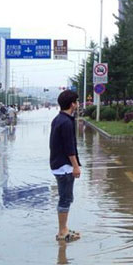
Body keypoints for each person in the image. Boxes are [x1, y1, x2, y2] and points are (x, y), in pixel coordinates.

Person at [50, 90, 82, 242]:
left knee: (66, 197)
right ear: (72, 104)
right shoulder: (66, 122)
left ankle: (64, 228)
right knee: (65, 198)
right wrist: (75, 166)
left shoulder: (58, 119)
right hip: (64, 167)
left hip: (58, 164)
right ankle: (62, 231)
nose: (77, 105)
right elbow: (70, 148)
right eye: (76, 102)